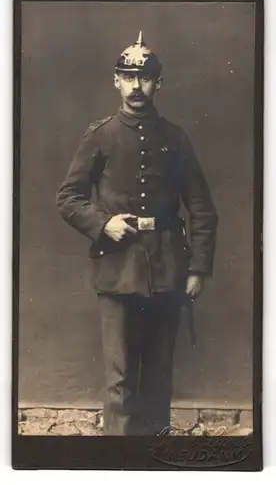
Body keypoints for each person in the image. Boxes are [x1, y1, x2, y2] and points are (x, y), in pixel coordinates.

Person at [56, 31, 218, 436]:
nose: (135, 87)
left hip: (168, 268)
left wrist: (198, 268)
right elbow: (69, 197)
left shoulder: (175, 139)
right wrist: (102, 223)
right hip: (117, 268)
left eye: (144, 78)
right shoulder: (101, 135)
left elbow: (201, 207)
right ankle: (119, 464)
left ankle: (154, 464)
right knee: (121, 379)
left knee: (159, 376)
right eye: (127, 77)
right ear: (115, 81)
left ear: (158, 84)